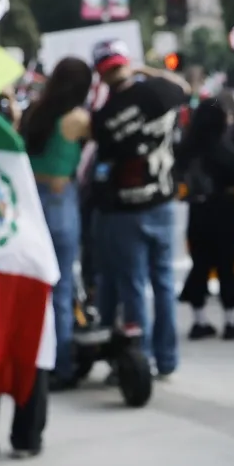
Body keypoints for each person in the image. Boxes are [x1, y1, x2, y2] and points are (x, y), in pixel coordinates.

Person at [88, 41, 187, 376]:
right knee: (164, 284)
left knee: (133, 287)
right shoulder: (160, 92)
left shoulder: (105, 116)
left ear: (101, 75)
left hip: (125, 210)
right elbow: (183, 88)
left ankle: (139, 360)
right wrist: (146, 70)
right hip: (162, 202)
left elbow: (101, 157)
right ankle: (167, 358)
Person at [20, 56, 92, 388]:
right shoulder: (78, 119)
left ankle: (33, 359)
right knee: (62, 289)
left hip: (32, 203)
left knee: (34, 288)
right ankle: (60, 364)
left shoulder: (34, 113)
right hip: (62, 200)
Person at [177, 96, 234, 339]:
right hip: (225, 209)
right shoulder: (225, 149)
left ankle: (199, 319)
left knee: (199, 264)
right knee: (227, 265)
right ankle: (231, 319)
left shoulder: (187, 148)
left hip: (198, 209)